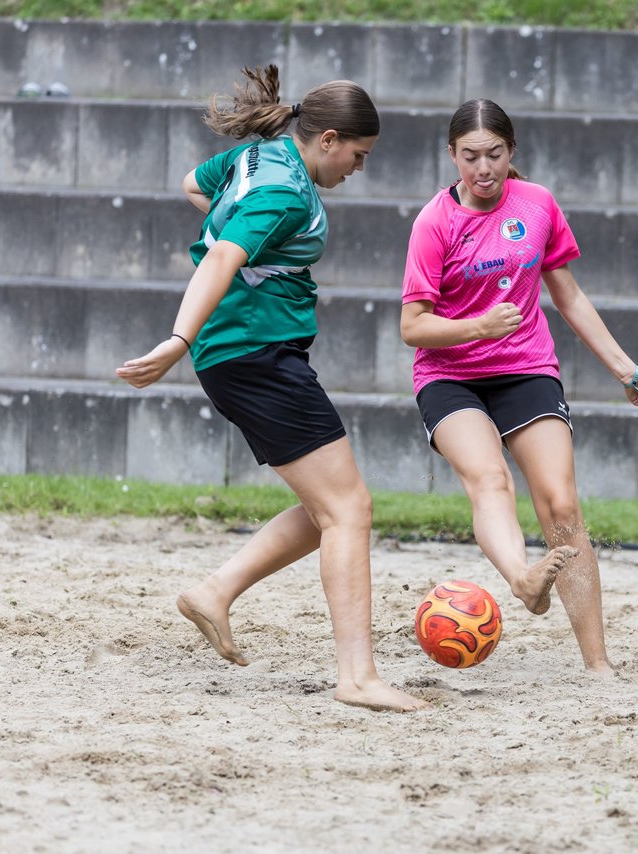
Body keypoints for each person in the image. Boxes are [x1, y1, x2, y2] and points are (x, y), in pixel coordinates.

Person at [117, 66, 425, 713]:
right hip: (255, 357)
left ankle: (215, 592)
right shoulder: (284, 192)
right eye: (358, 157)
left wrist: (258, 255)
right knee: (349, 511)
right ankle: (358, 677)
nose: (358, 170)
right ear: (331, 139)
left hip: (249, 354)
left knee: (330, 510)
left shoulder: (260, 156)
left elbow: (194, 186)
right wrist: (177, 338)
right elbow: (225, 256)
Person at [399, 98, 638, 675]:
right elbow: (412, 326)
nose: (483, 168)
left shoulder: (537, 204)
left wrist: (624, 367)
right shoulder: (433, 223)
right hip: (449, 375)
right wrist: (476, 327)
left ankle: (598, 666)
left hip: (525, 368)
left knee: (562, 505)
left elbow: (566, 293)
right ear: (451, 156)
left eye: (494, 154)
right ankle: (523, 578)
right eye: (470, 157)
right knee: (489, 479)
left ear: (511, 151)